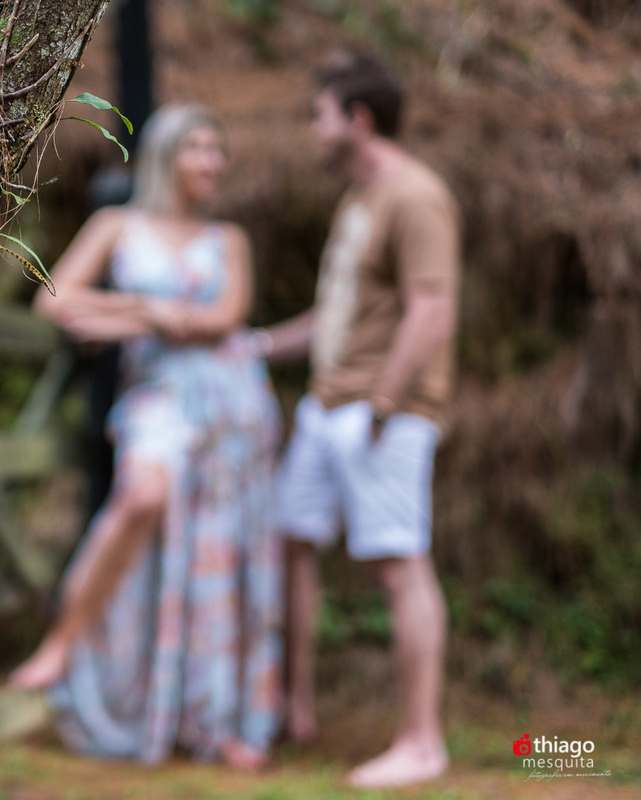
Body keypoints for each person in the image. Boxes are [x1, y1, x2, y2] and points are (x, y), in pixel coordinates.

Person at [8, 105, 283, 768]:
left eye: (218, 150)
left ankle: (212, 718)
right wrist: (152, 313)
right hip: (159, 397)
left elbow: (223, 320)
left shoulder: (229, 242)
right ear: (166, 156)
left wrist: (133, 314)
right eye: (199, 148)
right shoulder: (116, 226)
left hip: (231, 403)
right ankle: (64, 641)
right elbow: (53, 299)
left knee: (220, 555)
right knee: (141, 498)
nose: (212, 162)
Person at [262, 53, 460, 788]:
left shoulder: (416, 197)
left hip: (387, 414)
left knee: (399, 569)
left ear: (358, 119)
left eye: (320, 113)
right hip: (327, 407)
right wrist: (252, 344)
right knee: (292, 541)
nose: (313, 128)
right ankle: (295, 707)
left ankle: (421, 741)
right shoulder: (357, 202)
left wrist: (383, 401)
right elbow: (336, 317)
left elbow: (432, 310)